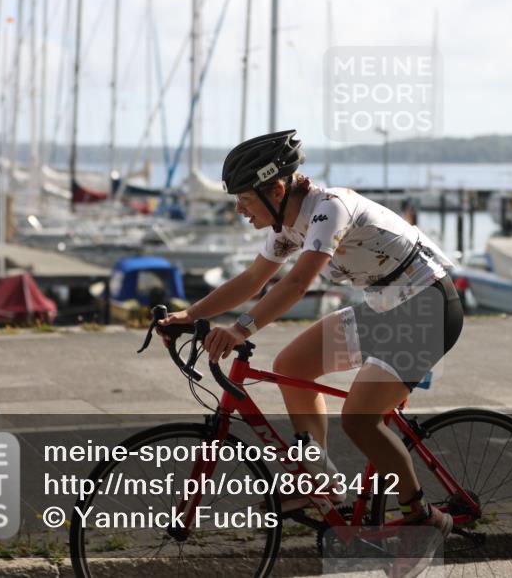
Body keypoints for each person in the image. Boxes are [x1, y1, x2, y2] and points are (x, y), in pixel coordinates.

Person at [159, 130, 464, 573]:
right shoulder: (286, 225)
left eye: (245, 198)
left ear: (276, 190)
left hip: (428, 309)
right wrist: (189, 315)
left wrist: (242, 329)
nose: (239, 209)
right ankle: (320, 480)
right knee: (292, 365)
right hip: (386, 307)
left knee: (359, 419)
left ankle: (423, 519)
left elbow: (298, 283)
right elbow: (252, 280)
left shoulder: (329, 209)